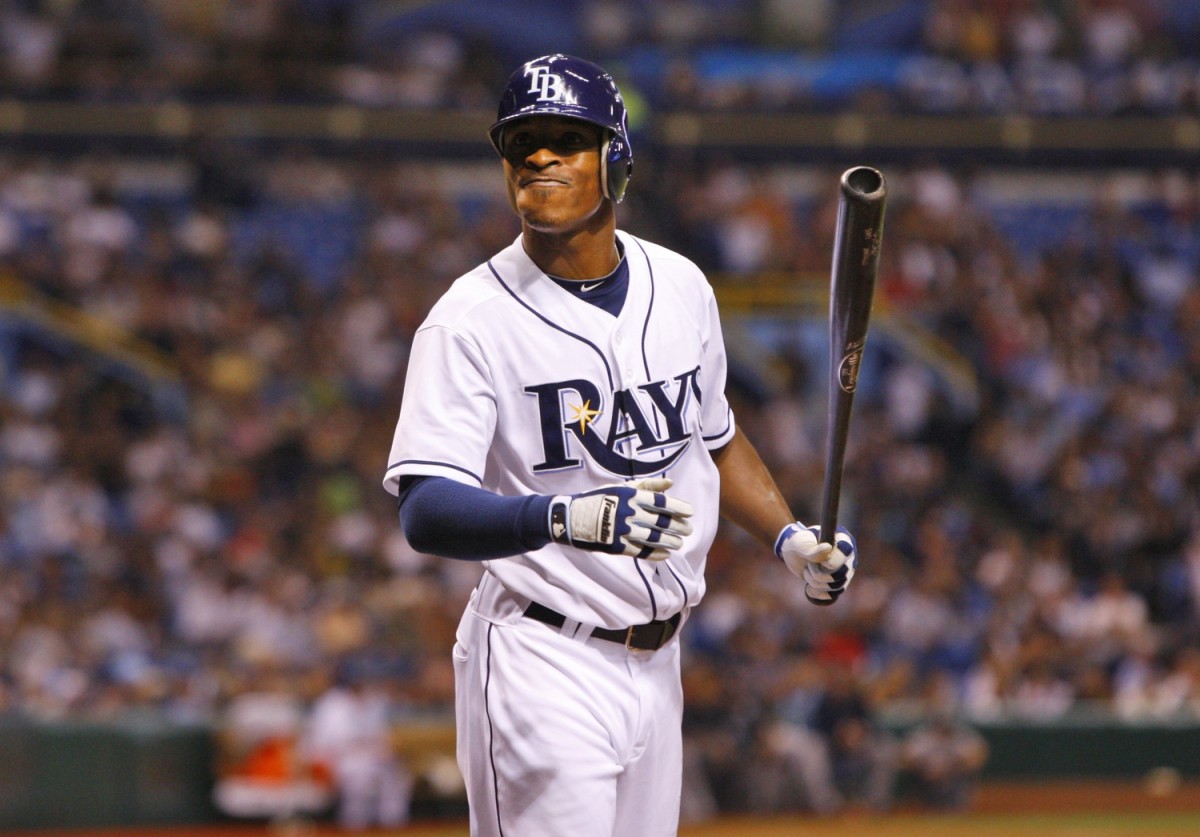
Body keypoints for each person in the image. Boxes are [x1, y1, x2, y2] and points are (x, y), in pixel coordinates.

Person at [382, 53, 858, 837]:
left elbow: (718, 439)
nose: (537, 155)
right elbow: (425, 510)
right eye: (520, 142)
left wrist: (787, 538)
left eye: (565, 138)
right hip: (543, 655)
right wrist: (563, 518)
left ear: (618, 160)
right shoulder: (467, 321)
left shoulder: (681, 286)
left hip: (661, 662)